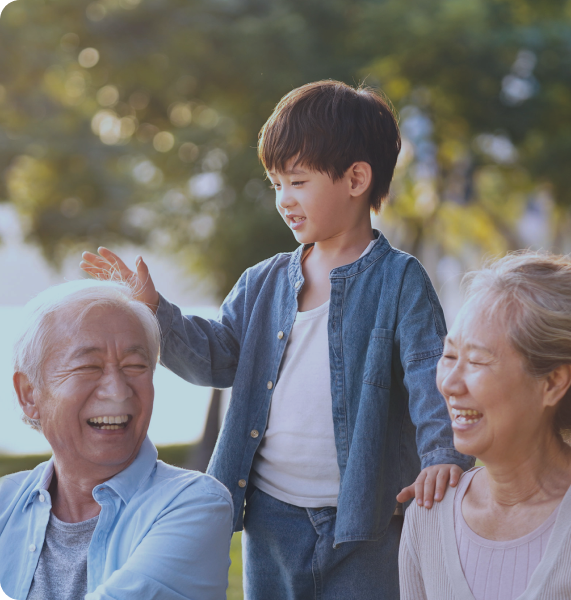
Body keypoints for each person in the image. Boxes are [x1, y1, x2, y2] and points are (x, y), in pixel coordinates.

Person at [81, 80, 474, 599]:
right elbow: (217, 358)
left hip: (366, 524)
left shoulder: (400, 281)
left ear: (357, 178)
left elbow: (431, 376)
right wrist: (155, 311)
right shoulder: (262, 281)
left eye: (297, 181)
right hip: (269, 516)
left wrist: (443, 454)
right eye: (275, 185)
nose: (283, 200)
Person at [399, 252, 571, 600]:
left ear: (553, 382)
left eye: (477, 360)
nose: (449, 383)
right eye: (448, 356)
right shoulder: (427, 516)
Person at [0, 280, 233, 600]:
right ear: (29, 394)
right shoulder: (6, 500)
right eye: (88, 367)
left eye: (136, 366)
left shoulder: (195, 503)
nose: (118, 391)